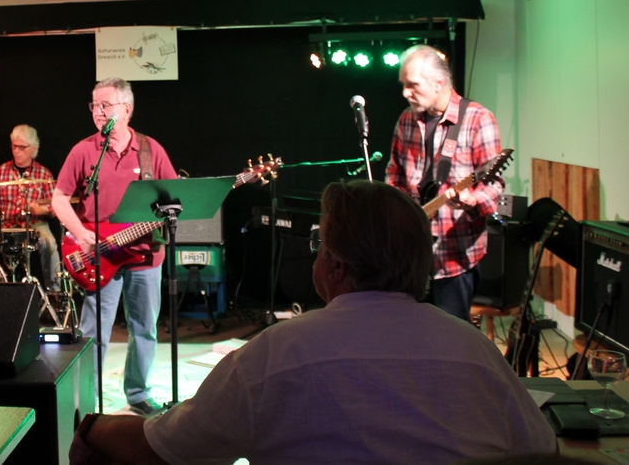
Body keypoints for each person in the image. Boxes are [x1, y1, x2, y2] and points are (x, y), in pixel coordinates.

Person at [69, 180, 557, 465]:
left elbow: (166, 451)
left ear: (337, 266)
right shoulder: (473, 349)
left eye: (319, 244)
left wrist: (94, 428)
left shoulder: (273, 354)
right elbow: (543, 449)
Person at [52, 77, 177, 416]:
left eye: (105, 105)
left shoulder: (151, 150)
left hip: (146, 255)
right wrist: (80, 232)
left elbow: (175, 199)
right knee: (93, 332)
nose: (98, 111)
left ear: (127, 109)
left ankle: (138, 394)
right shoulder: (83, 150)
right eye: (94, 105)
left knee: (144, 329)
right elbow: (59, 199)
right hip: (99, 255)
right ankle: (86, 399)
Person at [385, 45, 504, 322]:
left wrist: (472, 200)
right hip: (410, 256)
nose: (405, 93)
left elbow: (494, 186)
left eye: (412, 85)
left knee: (450, 339)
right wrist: (400, 212)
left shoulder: (478, 118)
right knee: (408, 334)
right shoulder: (406, 120)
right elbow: (394, 174)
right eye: (403, 85)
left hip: (454, 256)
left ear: (438, 83)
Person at [0, 124, 59, 285]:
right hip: (5, 224)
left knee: (49, 242)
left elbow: (55, 208)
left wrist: (40, 210)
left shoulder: (44, 174)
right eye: (14, 146)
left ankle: (55, 291)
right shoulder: (1, 171)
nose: (16, 151)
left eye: (22, 147)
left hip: (34, 225)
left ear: (34, 148)